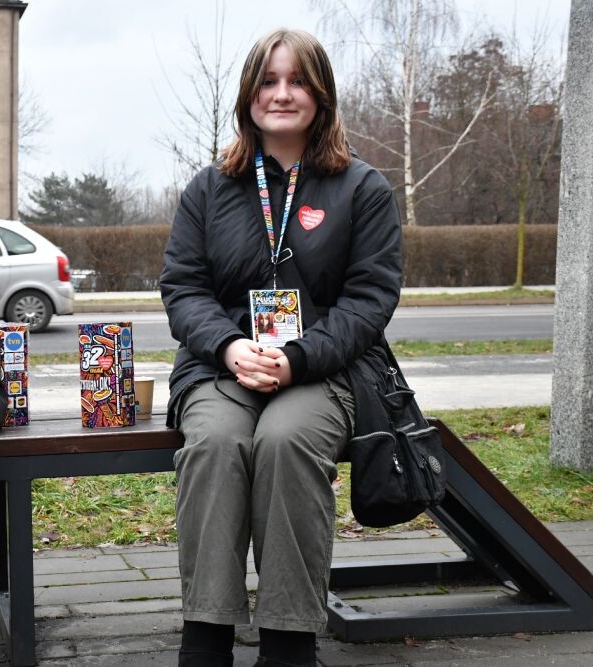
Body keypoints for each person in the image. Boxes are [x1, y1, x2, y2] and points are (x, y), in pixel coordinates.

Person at [160, 29, 402, 667]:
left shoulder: (362, 188)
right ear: (248, 94)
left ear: (320, 94)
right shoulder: (209, 188)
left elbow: (370, 301)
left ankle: (289, 643)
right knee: (214, 443)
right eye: (269, 80)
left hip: (326, 371)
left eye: (297, 81)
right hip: (221, 367)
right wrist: (230, 346)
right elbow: (183, 289)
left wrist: (298, 358)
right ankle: (205, 638)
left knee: (286, 441)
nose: (282, 93)